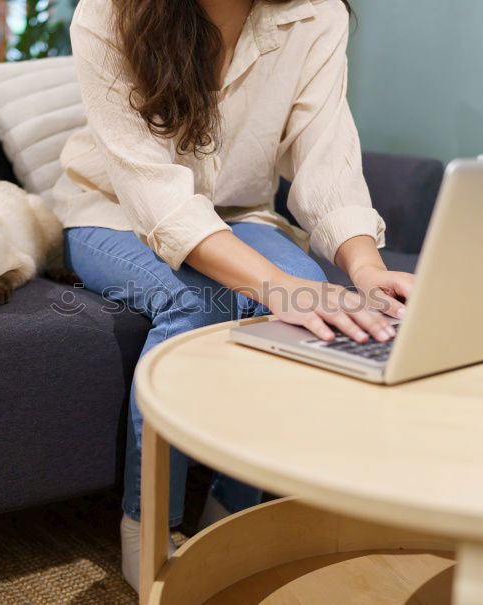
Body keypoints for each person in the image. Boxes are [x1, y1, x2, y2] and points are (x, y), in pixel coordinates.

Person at [51, 0, 415, 589]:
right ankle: (147, 530)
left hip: (240, 213)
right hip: (112, 211)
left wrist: (367, 269)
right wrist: (279, 289)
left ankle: (232, 512)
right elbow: (153, 195)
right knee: (202, 304)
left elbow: (325, 156)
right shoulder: (107, 13)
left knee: (311, 299)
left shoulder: (316, 15)